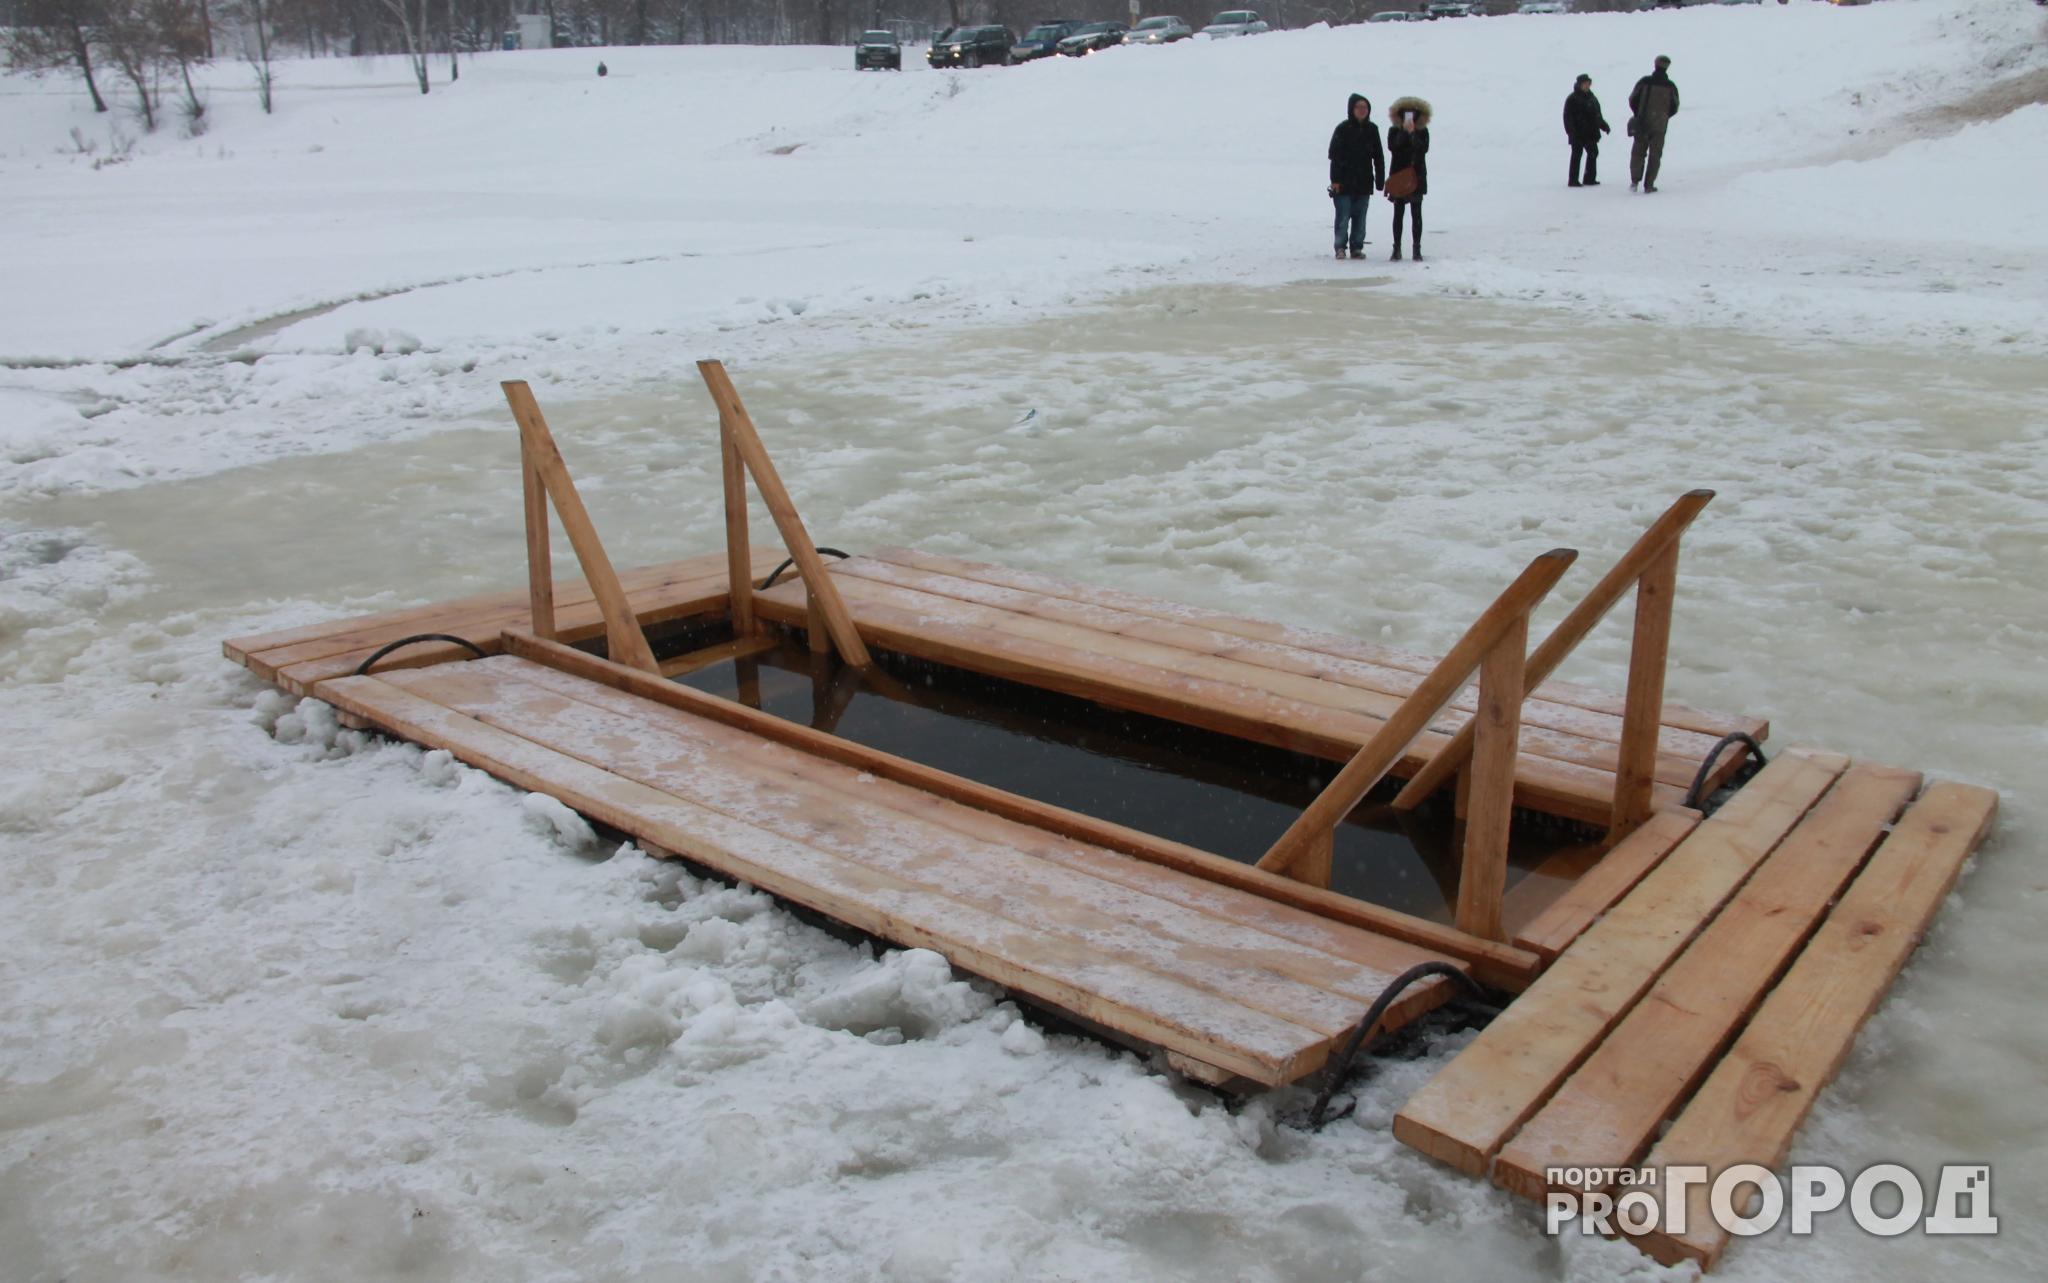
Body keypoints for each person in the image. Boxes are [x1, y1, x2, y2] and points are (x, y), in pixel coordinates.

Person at [1327, 93, 1386, 260]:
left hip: (1364, 181)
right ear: (1351, 109)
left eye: (1365, 108)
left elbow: (1378, 157)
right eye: (1358, 107)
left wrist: (1380, 180)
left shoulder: (1372, 130)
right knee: (1343, 217)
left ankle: (1356, 247)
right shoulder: (1343, 129)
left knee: (1360, 218)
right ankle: (1340, 247)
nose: (1362, 111)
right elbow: (1334, 156)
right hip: (1344, 182)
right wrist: (1335, 181)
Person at [1385, 96, 1431, 261]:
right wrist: (1405, 132)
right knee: (1398, 212)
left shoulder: (1423, 130)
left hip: (1417, 176)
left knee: (1416, 213)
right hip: (1399, 175)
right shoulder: (1393, 130)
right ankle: (1396, 248)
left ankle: (1416, 248)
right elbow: (1393, 147)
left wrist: (1412, 134)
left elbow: (1423, 148)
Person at [1628, 55, 1680, 193]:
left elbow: (1633, 99)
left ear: (1655, 65)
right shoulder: (1671, 86)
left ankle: (1634, 181)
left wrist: (1638, 113)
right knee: (1655, 155)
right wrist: (1663, 116)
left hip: (1642, 121)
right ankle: (1649, 184)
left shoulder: (1644, 82)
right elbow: (1675, 106)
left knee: (1638, 152)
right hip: (1660, 125)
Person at [1563, 73, 1610, 188]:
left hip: (1591, 132)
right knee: (1577, 155)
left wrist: (1604, 126)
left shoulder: (1592, 98)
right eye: (1584, 84)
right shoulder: (1572, 99)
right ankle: (1573, 180)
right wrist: (1571, 132)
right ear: (1579, 85)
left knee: (1593, 153)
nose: (1587, 86)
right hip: (1577, 133)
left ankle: (1589, 178)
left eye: (1588, 84)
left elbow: (1597, 115)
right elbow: (1567, 118)